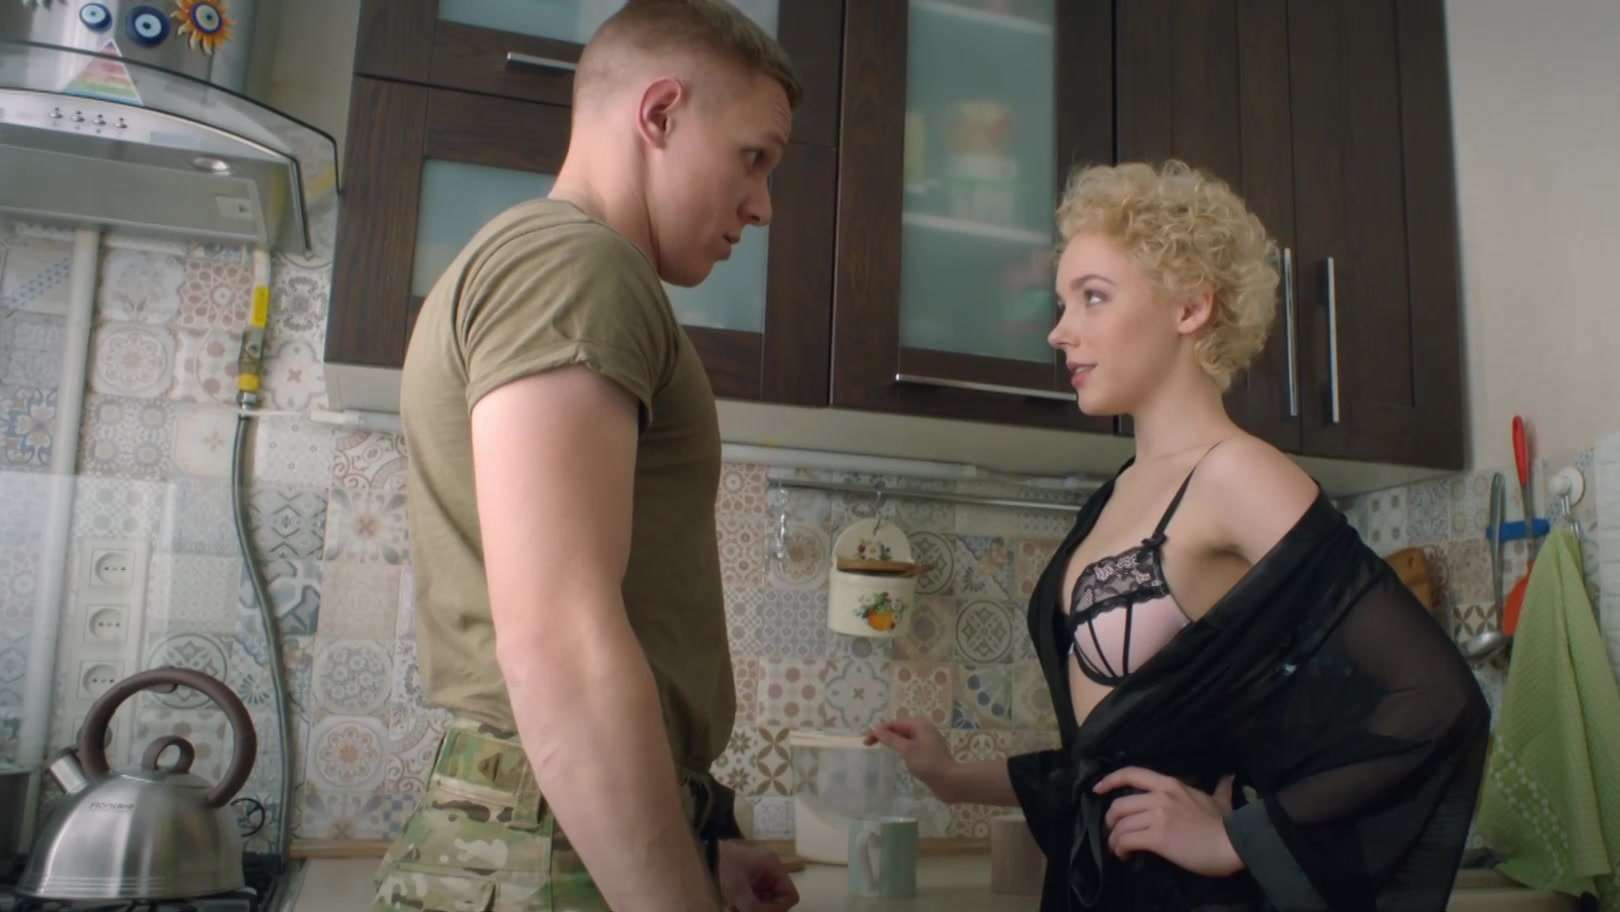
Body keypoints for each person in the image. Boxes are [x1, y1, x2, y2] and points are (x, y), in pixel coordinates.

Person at [868, 161, 1489, 910]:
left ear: (1191, 306)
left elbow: (1436, 698)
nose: (1059, 331)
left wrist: (1237, 838)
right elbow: (1111, 760)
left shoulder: (1238, 474)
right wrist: (951, 776)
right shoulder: (1119, 492)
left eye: (1093, 297)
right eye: (1062, 302)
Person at [375, 2, 803, 909]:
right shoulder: (575, 268)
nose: (763, 206)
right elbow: (560, 645)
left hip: (556, 830)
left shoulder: (552, 264)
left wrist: (699, 850)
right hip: (547, 841)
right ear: (660, 113)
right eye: (753, 158)